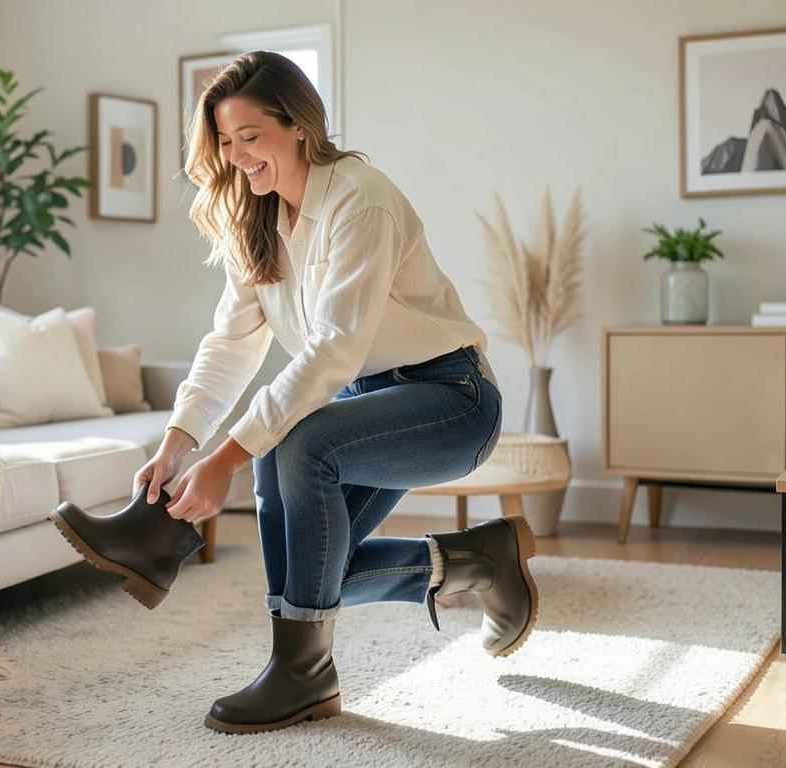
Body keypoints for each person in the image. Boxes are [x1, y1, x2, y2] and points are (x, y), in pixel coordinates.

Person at [52, 50, 537, 735]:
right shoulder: (258, 218)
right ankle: (475, 562)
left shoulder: (358, 200)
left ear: (299, 126)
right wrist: (177, 442)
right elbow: (231, 343)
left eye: (252, 137)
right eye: (226, 141)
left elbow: (331, 351)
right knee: (307, 573)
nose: (238, 156)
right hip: (367, 406)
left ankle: (304, 675)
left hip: (451, 398)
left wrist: (224, 462)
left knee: (297, 447)